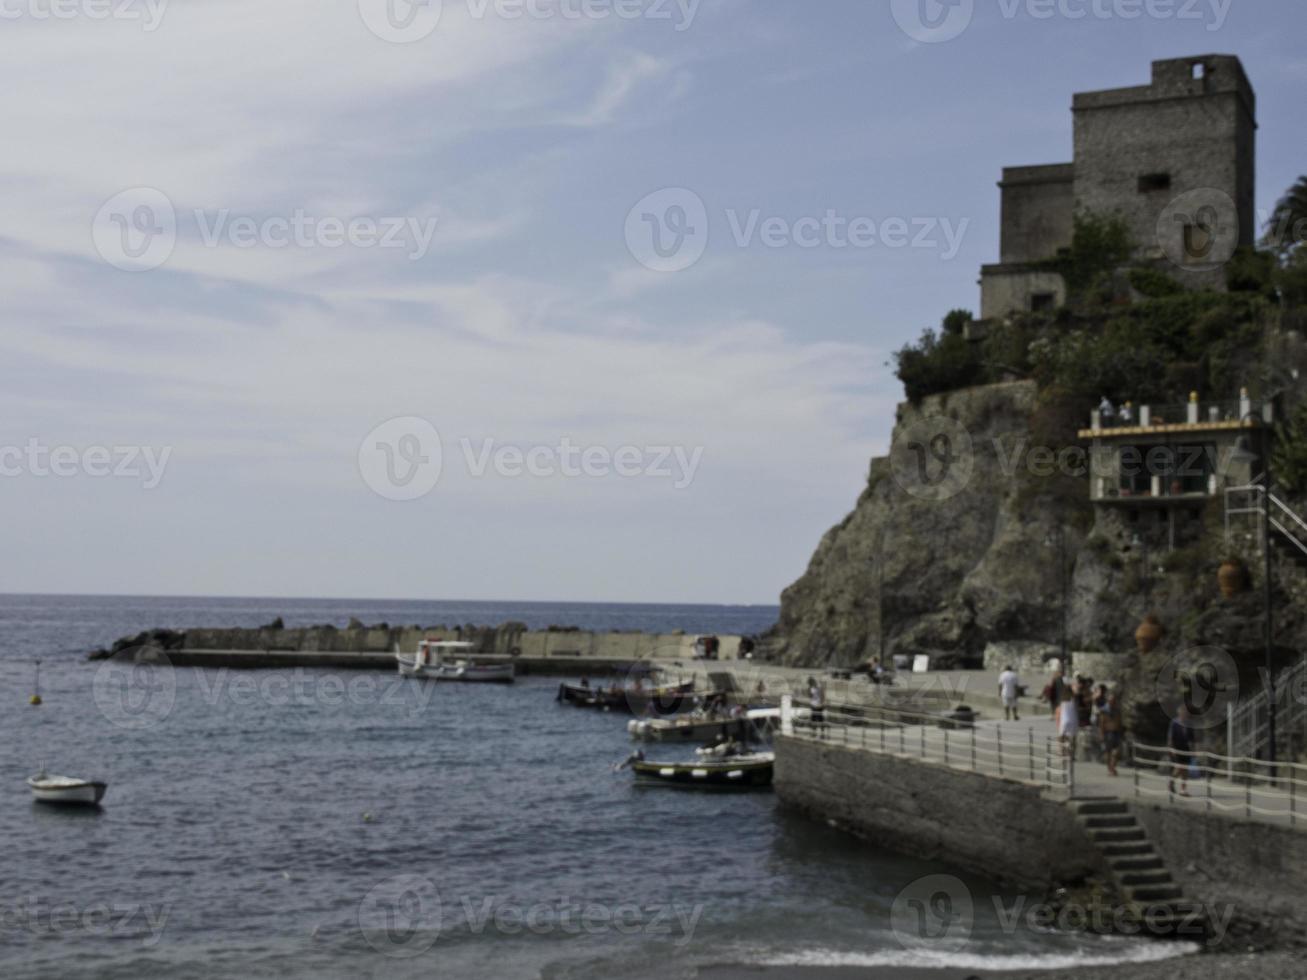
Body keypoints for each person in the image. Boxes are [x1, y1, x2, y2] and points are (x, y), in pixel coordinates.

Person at [1168, 707, 1195, 797]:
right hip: (1177, 747)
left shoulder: (1189, 724)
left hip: (1185, 748)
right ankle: (1171, 782)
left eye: (1185, 713)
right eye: (1183, 713)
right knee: (1180, 767)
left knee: (1185, 770)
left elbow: (1191, 739)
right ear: (1179, 713)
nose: (1184, 714)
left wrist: (1193, 751)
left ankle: (1183, 789)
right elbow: (1171, 737)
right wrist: (1172, 748)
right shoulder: (1174, 723)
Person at [1099, 690, 1123, 777]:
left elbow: (1119, 721)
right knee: (1108, 752)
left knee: (1116, 752)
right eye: (1111, 701)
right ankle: (1110, 768)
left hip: (1116, 733)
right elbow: (1101, 723)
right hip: (1108, 733)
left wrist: (1121, 732)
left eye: (1113, 700)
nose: (1112, 702)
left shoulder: (1117, 710)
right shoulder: (1104, 711)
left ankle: (1112, 767)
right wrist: (1101, 734)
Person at [1058, 686, 1079, 759]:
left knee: (1062, 737)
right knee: (1073, 738)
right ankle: (1072, 754)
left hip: (1064, 719)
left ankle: (1062, 751)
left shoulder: (1062, 700)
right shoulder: (1073, 699)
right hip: (1073, 719)